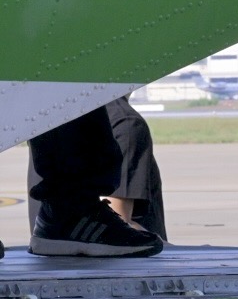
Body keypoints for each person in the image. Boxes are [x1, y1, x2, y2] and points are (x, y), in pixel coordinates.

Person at [21, 98, 164, 258]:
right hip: (70, 219)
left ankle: (72, 214)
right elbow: (121, 212)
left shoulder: (49, 118)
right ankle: (75, 213)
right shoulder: (125, 122)